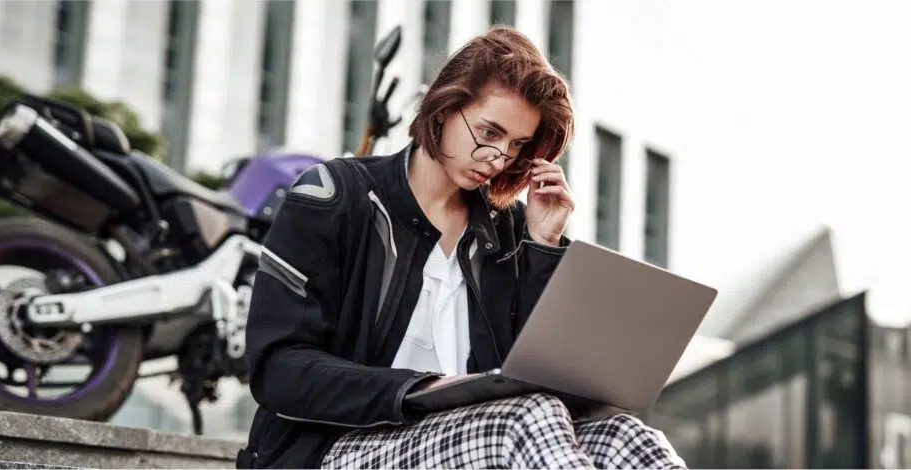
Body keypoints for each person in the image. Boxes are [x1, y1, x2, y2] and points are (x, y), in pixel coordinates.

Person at [239, 25, 686, 469]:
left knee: (627, 438)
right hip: (329, 453)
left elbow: (534, 378)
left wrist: (542, 245)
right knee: (523, 418)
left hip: (471, 444)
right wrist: (418, 389)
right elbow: (277, 368)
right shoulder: (335, 197)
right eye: (488, 133)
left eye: (516, 145)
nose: (498, 158)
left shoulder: (507, 232)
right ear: (444, 108)